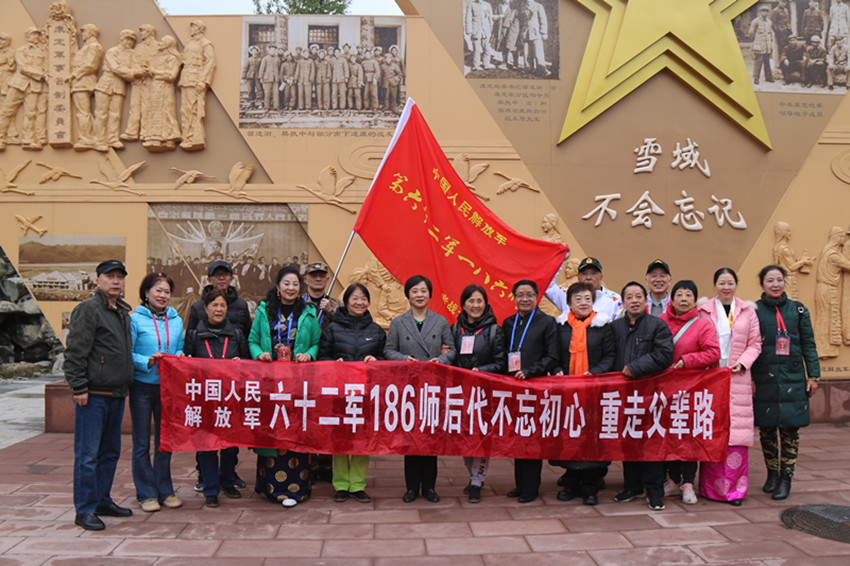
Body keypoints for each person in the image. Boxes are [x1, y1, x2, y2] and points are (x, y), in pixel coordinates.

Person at [64, 260, 134, 531]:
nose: (116, 281)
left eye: (120, 277)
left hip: (116, 393)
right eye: (110, 276)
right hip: (93, 395)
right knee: (88, 455)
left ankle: (102, 500)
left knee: (110, 452)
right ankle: (84, 510)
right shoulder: (89, 309)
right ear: (98, 280)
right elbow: (75, 351)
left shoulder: (122, 312)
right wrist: (79, 386)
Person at [249, 265, 321, 507]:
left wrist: (309, 355)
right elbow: (253, 340)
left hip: (298, 383)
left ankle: (297, 489)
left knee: (297, 428)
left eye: (295, 284)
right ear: (278, 286)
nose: (291, 288)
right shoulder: (264, 311)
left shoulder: (308, 312)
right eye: (286, 283)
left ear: (300, 287)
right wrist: (259, 354)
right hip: (270, 382)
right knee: (273, 428)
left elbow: (316, 342)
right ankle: (270, 488)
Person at [385, 275, 457, 503]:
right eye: (415, 291)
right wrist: (403, 359)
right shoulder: (398, 322)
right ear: (408, 295)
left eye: (423, 291)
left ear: (429, 294)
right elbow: (388, 350)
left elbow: (452, 349)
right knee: (410, 437)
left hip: (433, 387)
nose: (419, 295)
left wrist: (441, 360)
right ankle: (411, 487)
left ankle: (430, 488)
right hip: (408, 387)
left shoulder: (441, 321)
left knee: (430, 438)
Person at [752, 265, 820, 500]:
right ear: (762, 284)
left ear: (784, 282)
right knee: (767, 428)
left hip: (793, 377)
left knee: (790, 430)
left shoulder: (799, 310)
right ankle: (772, 474)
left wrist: (813, 376)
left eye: (779, 280)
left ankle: (785, 479)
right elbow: (749, 345)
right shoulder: (754, 311)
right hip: (765, 377)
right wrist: (750, 378)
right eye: (770, 280)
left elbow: (809, 344)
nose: (775, 284)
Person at [185, 259, 251, 492]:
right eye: (217, 275)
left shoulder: (241, 306)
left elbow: (247, 336)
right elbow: (191, 343)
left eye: (225, 275)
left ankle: (228, 474)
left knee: (231, 432)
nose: (219, 309)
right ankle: (204, 475)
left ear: (232, 278)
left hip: (231, 385)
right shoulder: (196, 308)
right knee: (205, 434)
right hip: (206, 387)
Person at [698, 268, 762, 506]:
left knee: (737, 434)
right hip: (710, 377)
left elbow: (755, 344)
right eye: (722, 283)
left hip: (738, 376)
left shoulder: (747, 311)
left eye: (730, 282)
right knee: (712, 432)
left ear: (736, 284)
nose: (726, 287)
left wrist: (742, 363)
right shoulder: (704, 311)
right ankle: (709, 489)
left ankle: (735, 491)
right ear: (715, 285)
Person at [317, 283, 386, 504]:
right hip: (339, 393)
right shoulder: (332, 329)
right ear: (346, 301)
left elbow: (385, 359)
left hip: (365, 394)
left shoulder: (376, 331)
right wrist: (333, 363)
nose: (359, 302)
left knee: (361, 440)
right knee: (340, 438)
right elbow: (322, 357)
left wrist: (377, 360)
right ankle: (340, 485)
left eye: (363, 298)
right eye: (355, 298)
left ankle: (357, 484)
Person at [551, 282, 616, 506]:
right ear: (569, 303)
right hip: (567, 393)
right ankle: (571, 482)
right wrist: (557, 369)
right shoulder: (561, 327)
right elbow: (554, 354)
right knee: (570, 437)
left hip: (594, 392)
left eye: (587, 298)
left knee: (591, 439)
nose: (583, 302)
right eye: (578, 299)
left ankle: (590, 486)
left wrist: (594, 373)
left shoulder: (603, 326)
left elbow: (610, 356)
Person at [610, 281, 674, 511]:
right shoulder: (615, 327)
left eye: (638, 296)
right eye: (629, 297)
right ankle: (632, 486)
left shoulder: (657, 325)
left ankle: (654, 491)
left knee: (651, 443)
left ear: (645, 301)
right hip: (624, 395)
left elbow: (664, 354)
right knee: (628, 442)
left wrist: (636, 367)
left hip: (650, 394)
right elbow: (609, 356)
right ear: (623, 302)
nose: (634, 300)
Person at [658, 280, 720, 505]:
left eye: (688, 295)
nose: (683, 299)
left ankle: (688, 483)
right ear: (672, 298)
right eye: (679, 295)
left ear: (695, 300)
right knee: (668, 435)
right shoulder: (660, 321)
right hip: (664, 389)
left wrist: (687, 360)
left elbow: (713, 353)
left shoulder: (702, 325)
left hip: (691, 390)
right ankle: (673, 479)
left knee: (689, 437)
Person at [129, 272, 185, 512]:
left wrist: (180, 357)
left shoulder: (176, 320)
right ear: (146, 292)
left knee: (165, 441)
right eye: (158, 290)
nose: (163, 296)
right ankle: (146, 493)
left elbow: (180, 347)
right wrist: (146, 361)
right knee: (141, 442)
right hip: (142, 385)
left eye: (167, 292)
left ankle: (165, 489)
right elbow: (128, 352)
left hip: (168, 387)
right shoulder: (134, 319)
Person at [502, 279, 559, 503]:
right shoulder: (509, 322)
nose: (524, 299)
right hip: (513, 387)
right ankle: (520, 484)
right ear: (514, 298)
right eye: (520, 295)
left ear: (537, 297)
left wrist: (529, 371)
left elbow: (551, 356)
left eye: (529, 295)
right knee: (517, 437)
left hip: (535, 386)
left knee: (532, 438)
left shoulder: (547, 322)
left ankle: (531, 487)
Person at [450, 284, 506, 503]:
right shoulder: (455, 329)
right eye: (471, 301)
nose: (475, 305)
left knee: (481, 436)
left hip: (484, 393)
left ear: (485, 304)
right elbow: (451, 358)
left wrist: (479, 371)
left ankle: (477, 480)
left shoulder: (494, 331)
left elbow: (501, 363)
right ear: (463, 305)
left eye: (479, 301)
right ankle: (472, 475)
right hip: (461, 393)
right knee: (465, 436)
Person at [546, 257, 622, 324]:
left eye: (593, 273)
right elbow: (547, 285)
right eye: (584, 274)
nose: (588, 277)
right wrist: (561, 259)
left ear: (601, 277)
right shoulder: (567, 294)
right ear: (578, 277)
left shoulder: (615, 300)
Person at [303, 262, 342, 329]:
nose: (318, 279)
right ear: (306, 280)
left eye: (322, 276)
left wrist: (330, 311)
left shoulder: (338, 304)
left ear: (327, 280)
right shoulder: (299, 303)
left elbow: (346, 327)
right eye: (314, 276)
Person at [749, 4, 775, 85]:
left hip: (767, 46)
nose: (765, 13)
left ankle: (768, 77)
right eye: (763, 11)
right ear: (760, 12)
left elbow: (771, 33)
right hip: (759, 45)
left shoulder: (769, 22)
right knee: (758, 62)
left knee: (767, 62)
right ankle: (756, 78)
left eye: (767, 11)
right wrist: (753, 42)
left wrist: (771, 43)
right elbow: (751, 32)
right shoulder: (755, 21)